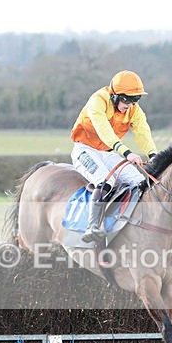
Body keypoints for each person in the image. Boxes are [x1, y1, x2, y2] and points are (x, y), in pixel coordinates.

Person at [71, 70, 157, 242]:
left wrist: (154, 155)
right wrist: (127, 153)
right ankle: (92, 227)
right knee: (106, 181)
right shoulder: (98, 100)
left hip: (107, 152)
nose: (130, 105)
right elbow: (104, 131)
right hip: (85, 150)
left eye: (135, 100)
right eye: (127, 100)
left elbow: (142, 132)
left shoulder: (134, 111)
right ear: (114, 95)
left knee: (138, 182)